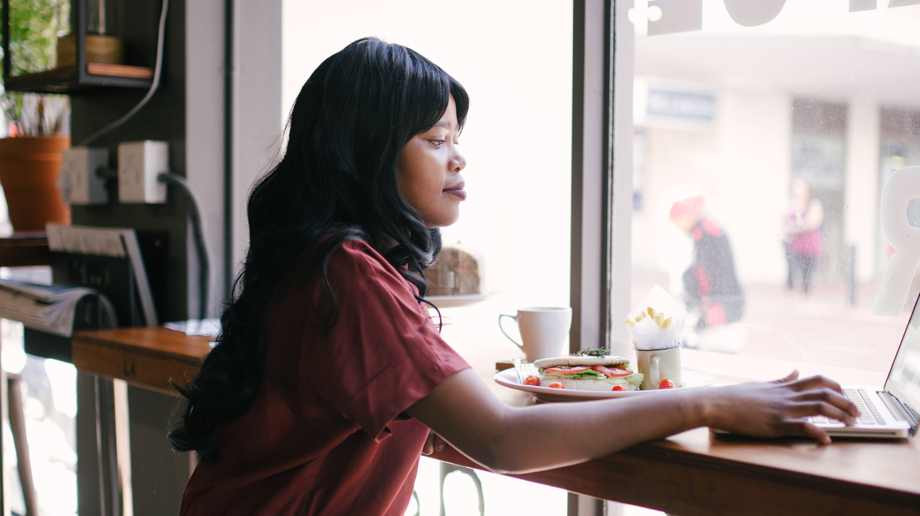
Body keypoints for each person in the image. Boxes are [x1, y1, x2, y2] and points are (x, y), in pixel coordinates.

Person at [168, 38, 859, 516]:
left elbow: (458, 411)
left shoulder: (315, 259)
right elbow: (501, 439)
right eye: (436, 140)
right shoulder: (348, 274)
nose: (458, 159)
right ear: (364, 155)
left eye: (457, 139)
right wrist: (711, 404)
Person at [666, 190, 745, 332]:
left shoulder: (705, 233)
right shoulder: (700, 230)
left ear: (688, 215)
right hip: (718, 306)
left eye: (676, 219)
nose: (676, 225)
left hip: (720, 309)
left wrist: (710, 309)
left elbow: (713, 274)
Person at [783, 178, 825, 294]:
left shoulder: (814, 204)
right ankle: (792, 293)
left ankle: (805, 295)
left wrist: (796, 227)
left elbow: (812, 222)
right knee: (793, 271)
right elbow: (783, 220)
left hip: (810, 245)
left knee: (807, 275)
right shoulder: (793, 204)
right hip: (795, 245)